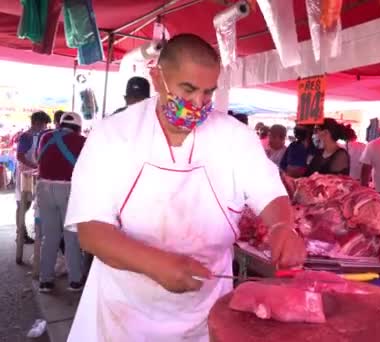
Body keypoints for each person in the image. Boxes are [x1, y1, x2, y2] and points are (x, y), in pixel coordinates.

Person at [64, 34, 306, 341]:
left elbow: (269, 191)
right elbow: (92, 231)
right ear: (157, 76)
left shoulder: (235, 137)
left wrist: (282, 226)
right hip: (122, 312)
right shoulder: (112, 136)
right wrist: (156, 264)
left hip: (205, 310)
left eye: (208, 93)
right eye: (188, 89)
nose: (197, 104)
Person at [36, 112, 87, 293]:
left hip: (43, 188)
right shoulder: (81, 142)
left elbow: (38, 160)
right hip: (67, 189)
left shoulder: (45, 137)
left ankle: (45, 281)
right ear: (78, 127)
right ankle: (75, 280)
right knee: (71, 236)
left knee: (49, 236)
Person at [15, 111, 51, 244]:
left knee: (29, 204)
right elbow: (20, 156)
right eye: (43, 124)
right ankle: (21, 234)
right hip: (24, 174)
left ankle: (24, 233)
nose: (45, 127)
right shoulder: (26, 137)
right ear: (36, 123)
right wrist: (34, 165)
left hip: (33, 173)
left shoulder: (38, 135)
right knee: (23, 204)